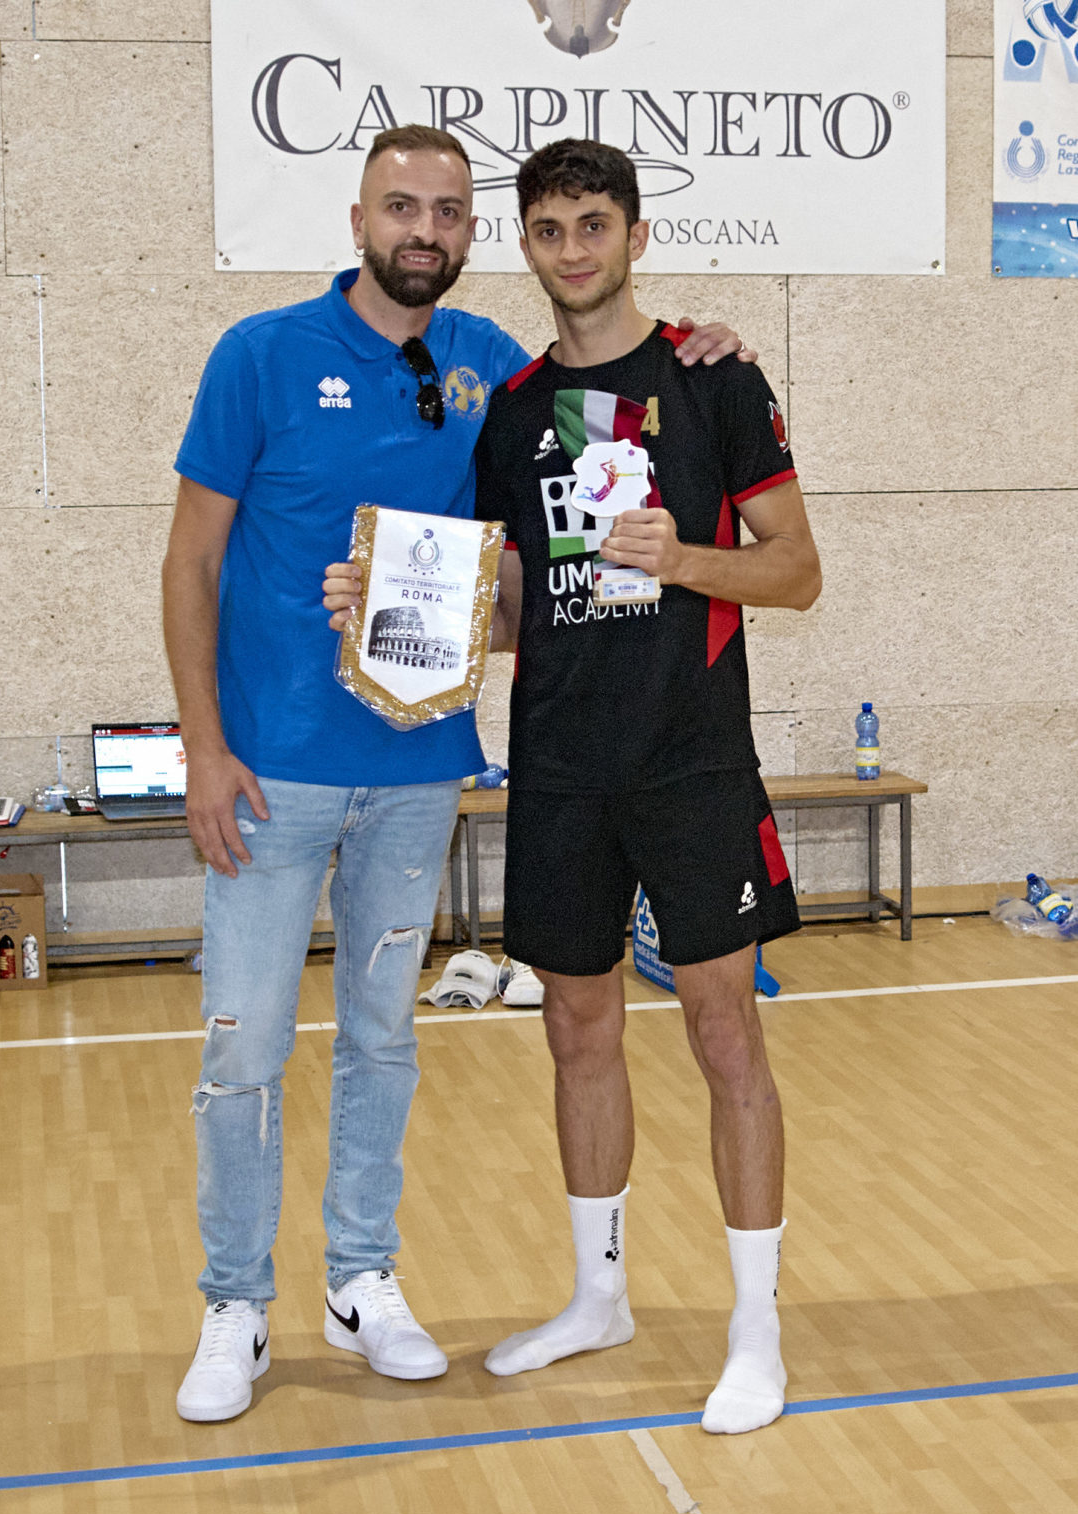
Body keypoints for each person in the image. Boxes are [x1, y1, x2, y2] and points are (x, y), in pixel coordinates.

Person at [164, 122, 751, 1423]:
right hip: (268, 777)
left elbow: (554, 523)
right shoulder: (259, 355)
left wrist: (710, 349)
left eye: (445, 211)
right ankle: (235, 1302)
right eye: (400, 207)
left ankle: (360, 1278)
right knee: (244, 1043)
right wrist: (204, 747)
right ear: (359, 219)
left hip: (421, 769)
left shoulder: (496, 371)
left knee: (383, 1038)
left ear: (471, 234)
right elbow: (190, 559)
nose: (422, 229)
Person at [472, 139, 822, 1435]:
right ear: (525, 245)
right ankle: (598, 1299)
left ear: (635, 234)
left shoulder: (713, 378)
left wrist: (685, 559)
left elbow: (796, 572)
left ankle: (755, 1331)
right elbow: (520, 609)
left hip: (692, 759)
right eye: (549, 229)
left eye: (593, 224)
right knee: (577, 1032)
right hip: (562, 768)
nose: (573, 249)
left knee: (726, 1036)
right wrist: (397, 618)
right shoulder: (514, 413)